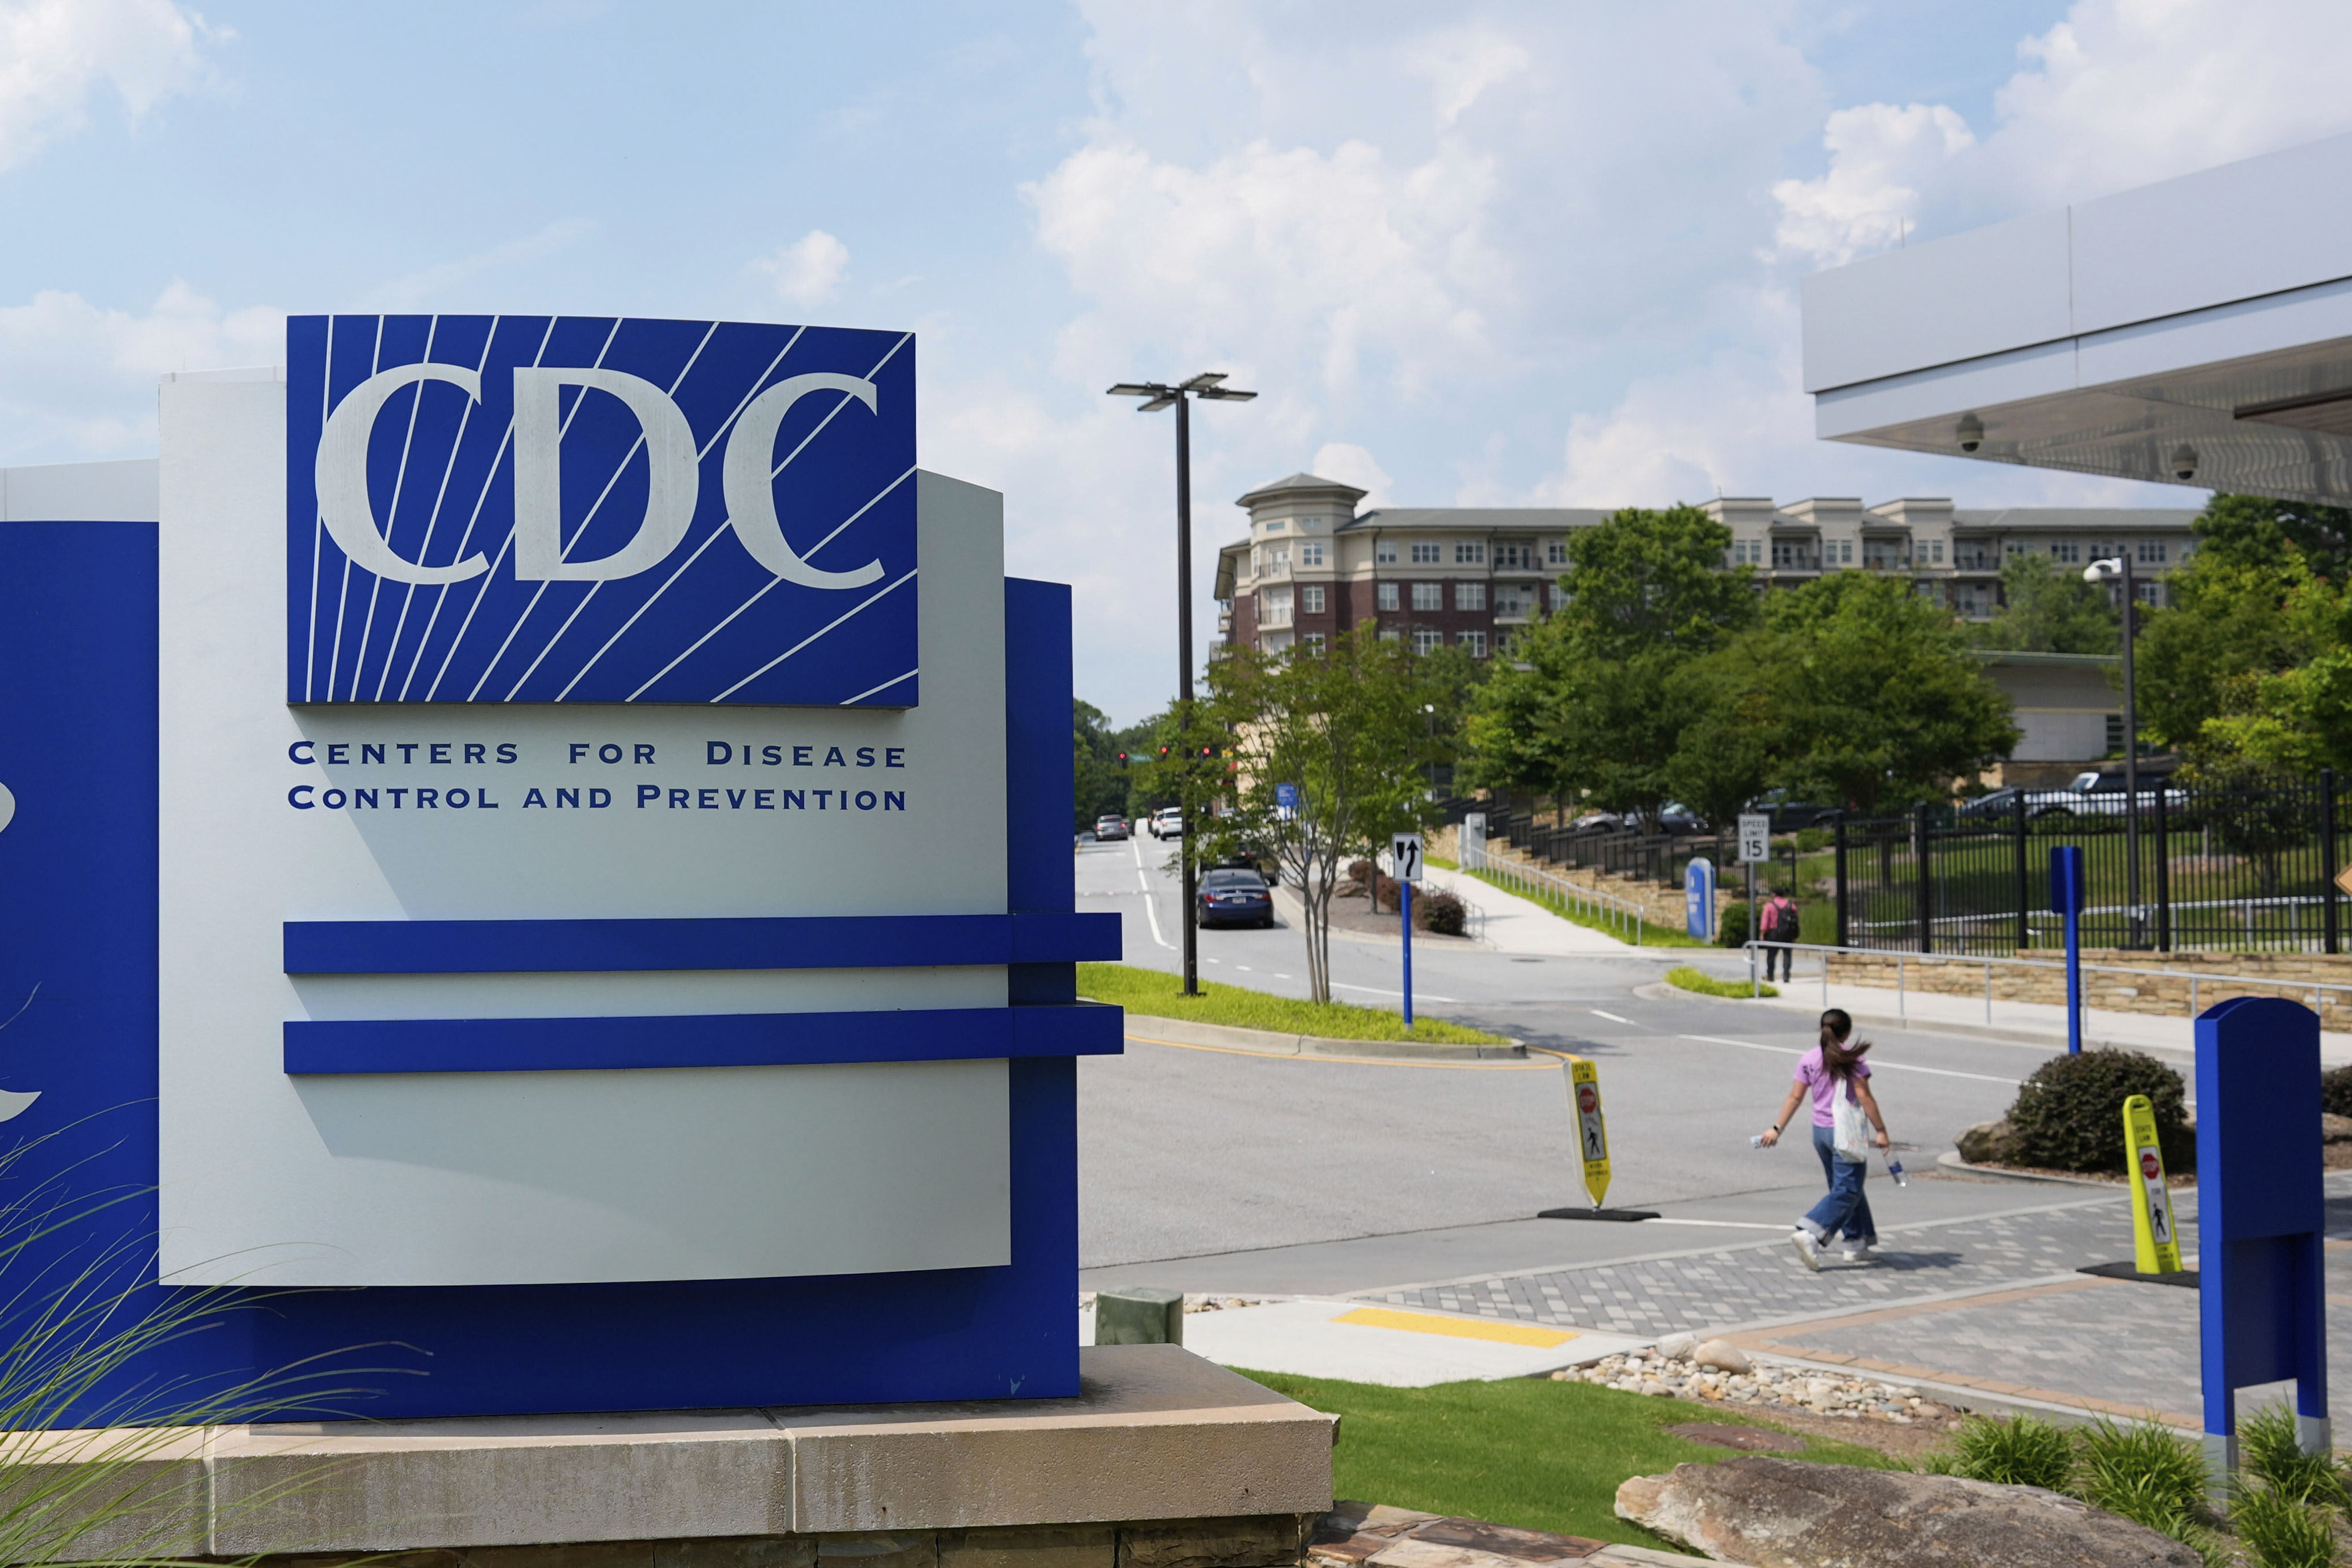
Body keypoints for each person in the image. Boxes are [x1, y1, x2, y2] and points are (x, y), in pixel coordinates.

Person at [1758, 1008, 1889, 1270]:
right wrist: (1882, 1131)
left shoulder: (1808, 1059)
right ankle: (1811, 1233)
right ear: (1847, 1032)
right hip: (1847, 1132)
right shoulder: (1853, 1059)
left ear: (1822, 1030)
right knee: (1848, 1189)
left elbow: (1795, 1097)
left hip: (1821, 1132)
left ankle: (1856, 1243)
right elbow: (1864, 1096)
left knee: (1845, 1187)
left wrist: (1777, 1128)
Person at [1759, 888, 1799, 981]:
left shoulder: (1769, 906)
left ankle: (1770, 976)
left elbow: (1765, 922)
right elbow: (1796, 918)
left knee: (1771, 956)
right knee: (1787, 955)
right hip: (1787, 933)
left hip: (1774, 933)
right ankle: (1786, 976)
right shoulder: (1791, 905)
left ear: (1774, 894)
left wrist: (1762, 934)